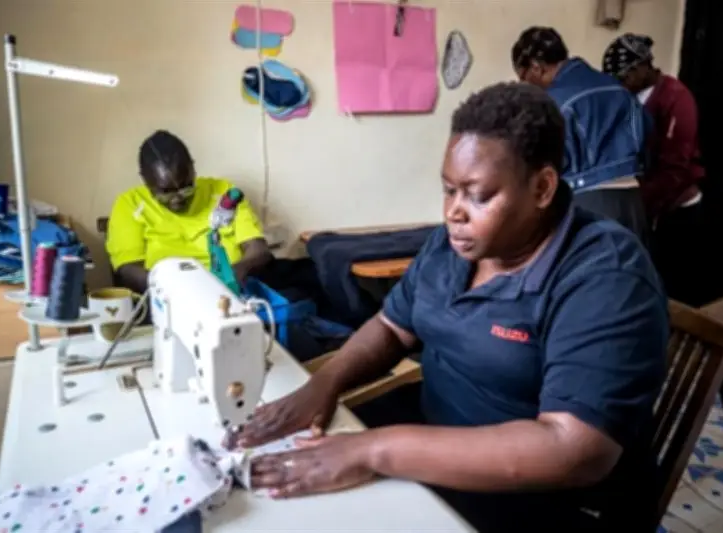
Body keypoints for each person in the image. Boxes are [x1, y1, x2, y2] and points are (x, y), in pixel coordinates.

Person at [225, 83, 668, 532]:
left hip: (540, 500)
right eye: (448, 190)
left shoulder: (604, 276)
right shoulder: (452, 246)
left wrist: (374, 450)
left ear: (542, 188)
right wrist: (324, 384)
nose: (454, 212)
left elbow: (573, 450)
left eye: (478, 195)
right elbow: (392, 326)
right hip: (436, 448)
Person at [511, 27, 652, 247]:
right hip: (633, 203)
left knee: (592, 276)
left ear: (537, 68)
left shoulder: (555, 103)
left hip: (588, 203)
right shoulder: (619, 90)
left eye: (523, 78)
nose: (525, 86)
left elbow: (553, 163)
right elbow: (646, 138)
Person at [602, 34, 705, 306]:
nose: (620, 85)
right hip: (645, 202)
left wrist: (639, 206)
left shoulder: (676, 98)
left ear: (641, 68)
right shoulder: (630, 98)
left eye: (623, 77)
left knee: (672, 284)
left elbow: (675, 168)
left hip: (675, 207)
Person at [105, 130, 272, 294]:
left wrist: (238, 271)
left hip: (231, 293)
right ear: (145, 180)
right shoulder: (129, 204)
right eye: (165, 192)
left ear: (193, 168)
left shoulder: (224, 193)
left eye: (186, 188)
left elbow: (258, 249)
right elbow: (127, 269)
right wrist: (172, 291)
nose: (177, 199)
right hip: (167, 298)